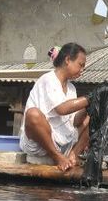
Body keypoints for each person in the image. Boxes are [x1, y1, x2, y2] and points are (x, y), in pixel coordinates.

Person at [19, 43, 91, 172]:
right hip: (41, 145)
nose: (82, 70)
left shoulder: (71, 88)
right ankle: (57, 156)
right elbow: (61, 109)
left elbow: (74, 121)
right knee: (33, 114)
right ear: (68, 60)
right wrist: (88, 98)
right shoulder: (48, 80)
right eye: (80, 65)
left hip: (64, 142)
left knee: (92, 117)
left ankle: (73, 156)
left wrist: (89, 107)